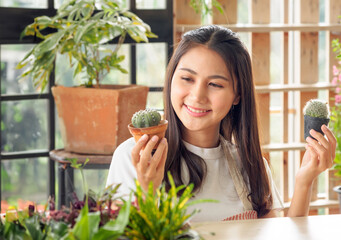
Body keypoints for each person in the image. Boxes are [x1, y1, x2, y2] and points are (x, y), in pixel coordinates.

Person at [106, 25, 336, 222]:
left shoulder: (250, 166)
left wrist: (304, 180)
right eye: (187, 79)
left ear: (237, 95)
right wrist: (146, 193)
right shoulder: (134, 157)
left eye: (215, 84)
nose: (197, 96)